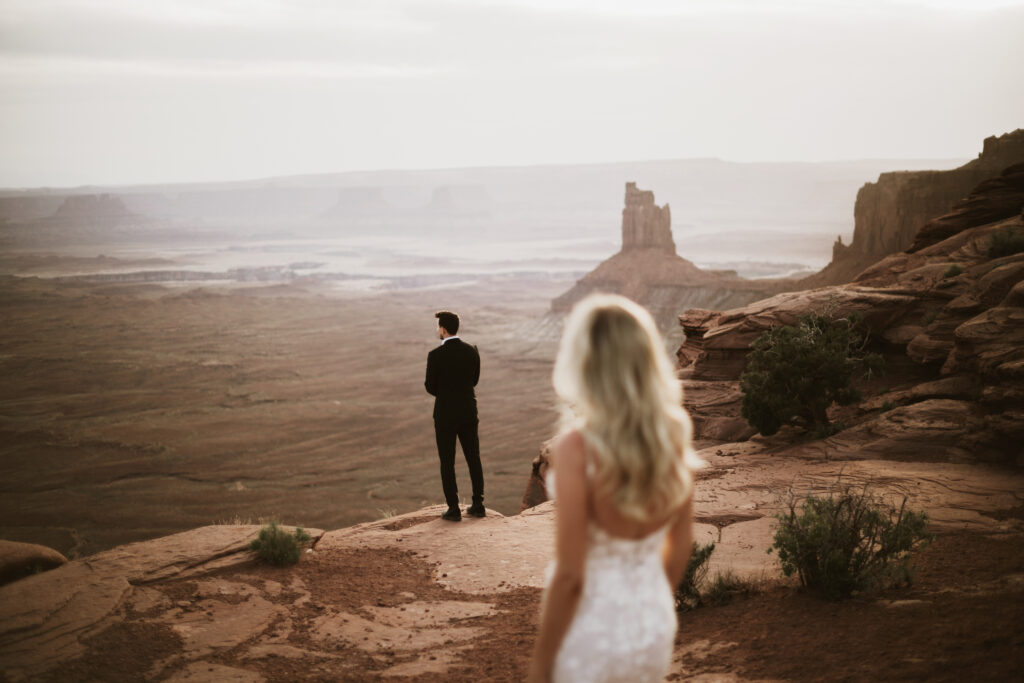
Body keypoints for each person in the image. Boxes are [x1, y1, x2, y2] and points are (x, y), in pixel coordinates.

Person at [528, 294, 699, 683]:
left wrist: (540, 666)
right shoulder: (673, 434)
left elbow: (571, 574)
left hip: (593, 628)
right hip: (652, 623)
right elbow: (681, 545)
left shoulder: (576, 449)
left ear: (586, 362)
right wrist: (647, 600)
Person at [425, 310, 485, 522]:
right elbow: (474, 381)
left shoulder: (435, 356)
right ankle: (478, 504)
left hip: (445, 415)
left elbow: (430, 387)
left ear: (442, 329)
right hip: (468, 411)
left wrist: (446, 392)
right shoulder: (472, 351)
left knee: (447, 462)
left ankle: (453, 508)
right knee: (473, 457)